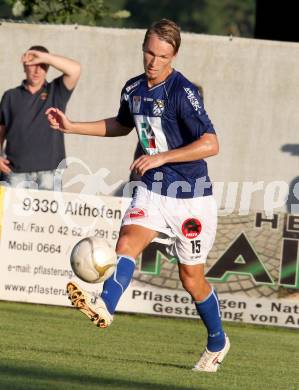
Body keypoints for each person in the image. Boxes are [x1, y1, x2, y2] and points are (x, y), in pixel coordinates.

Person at [46, 19, 230, 372]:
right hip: (152, 190)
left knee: (191, 280)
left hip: (190, 197)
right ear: (143, 48)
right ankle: (105, 305)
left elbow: (212, 143)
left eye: (162, 56)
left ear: (173, 55)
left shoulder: (182, 92)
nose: (153, 61)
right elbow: (121, 125)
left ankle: (218, 341)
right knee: (127, 242)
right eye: (149, 52)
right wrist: (73, 126)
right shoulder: (133, 88)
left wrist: (161, 156)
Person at [0, 46, 81, 190]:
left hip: (49, 172)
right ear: (25, 66)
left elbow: (75, 70)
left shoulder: (56, 91)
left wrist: (45, 57)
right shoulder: (10, 96)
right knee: (9, 213)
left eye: (43, 66)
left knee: (49, 214)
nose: (37, 71)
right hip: (14, 172)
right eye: (33, 65)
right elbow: (1, 129)